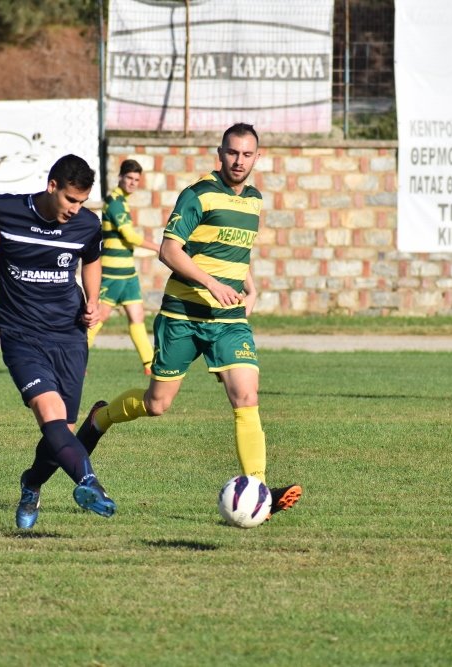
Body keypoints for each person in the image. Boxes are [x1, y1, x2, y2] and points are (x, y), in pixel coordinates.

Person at [75, 123, 302, 520]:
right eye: (232, 153)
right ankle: (101, 417)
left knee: (246, 398)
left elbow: (235, 250)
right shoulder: (198, 194)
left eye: (247, 155)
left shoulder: (254, 200)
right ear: (220, 152)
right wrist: (212, 283)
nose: (239, 161)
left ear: (257, 158)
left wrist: (249, 287)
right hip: (182, 315)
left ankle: (258, 491)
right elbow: (169, 250)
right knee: (157, 404)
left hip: (228, 320)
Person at [0, 154, 116, 530]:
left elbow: (91, 259)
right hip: (20, 333)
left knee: (62, 432)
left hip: (70, 334)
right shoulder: (7, 208)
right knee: (49, 415)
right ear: (51, 186)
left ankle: (32, 483)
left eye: (82, 202)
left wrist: (94, 300)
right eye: (71, 200)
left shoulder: (87, 224)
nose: (76, 209)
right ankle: (89, 483)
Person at [87, 159, 161, 374]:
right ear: (120, 177)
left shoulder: (123, 202)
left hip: (128, 273)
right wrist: (158, 247)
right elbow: (129, 236)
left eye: (136, 180)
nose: (132, 183)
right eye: (129, 178)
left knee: (137, 318)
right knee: (98, 318)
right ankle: (75, 359)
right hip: (112, 273)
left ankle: (149, 365)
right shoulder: (115, 202)